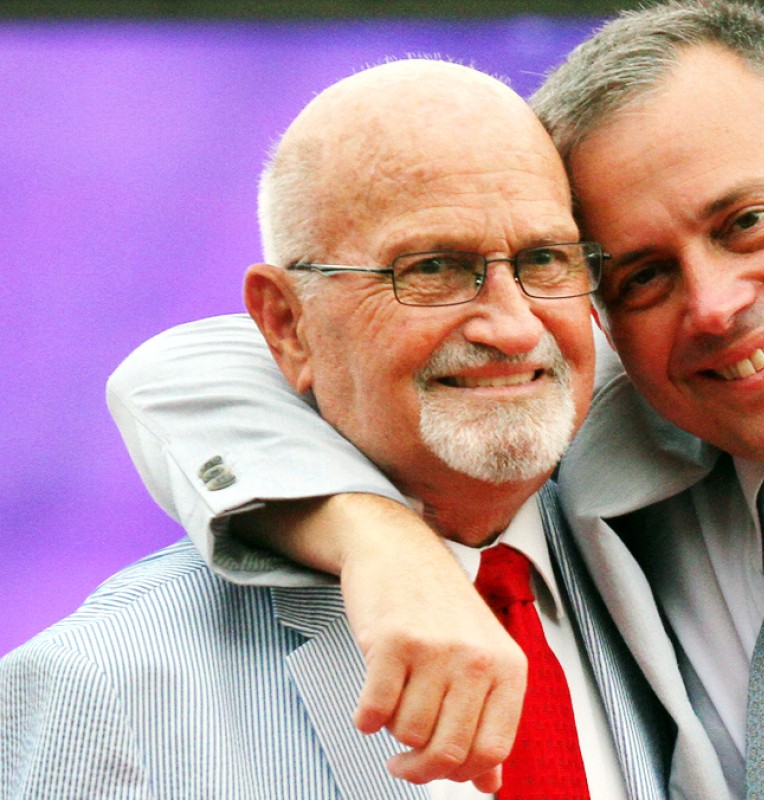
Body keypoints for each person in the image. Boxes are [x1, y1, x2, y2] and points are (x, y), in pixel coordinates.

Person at [103, 2, 764, 798]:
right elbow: (199, 368)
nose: (716, 306)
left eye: (746, 222)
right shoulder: (614, 432)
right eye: (638, 274)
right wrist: (383, 545)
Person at [0, 59, 678, 799]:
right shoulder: (106, 689)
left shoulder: (685, 559)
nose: (514, 328)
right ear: (287, 325)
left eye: (545, 259)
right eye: (432, 269)